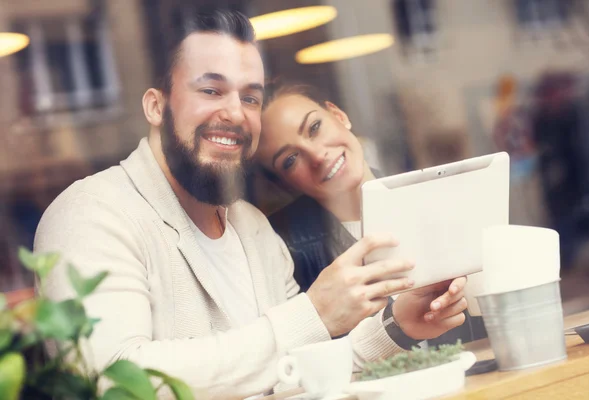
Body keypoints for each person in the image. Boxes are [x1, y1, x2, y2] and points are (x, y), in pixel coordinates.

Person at [33, 7, 468, 399]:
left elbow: (300, 370)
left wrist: (398, 325)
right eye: (211, 90)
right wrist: (312, 313)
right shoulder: (91, 213)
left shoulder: (253, 227)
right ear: (155, 106)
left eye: (250, 97)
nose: (236, 113)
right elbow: (114, 379)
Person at [255, 81, 486, 346]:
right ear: (286, 183)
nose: (317, 155)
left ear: (339, 116)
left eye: (314, 128)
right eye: (290, 160)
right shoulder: (285, 249)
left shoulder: (435, 202)